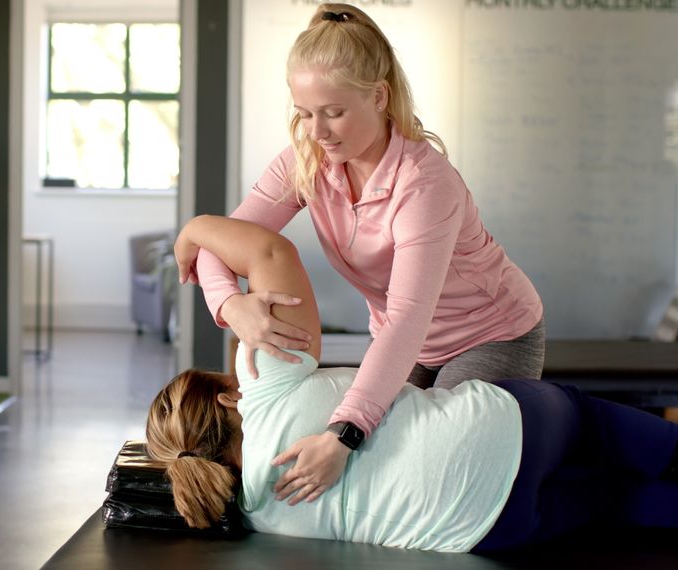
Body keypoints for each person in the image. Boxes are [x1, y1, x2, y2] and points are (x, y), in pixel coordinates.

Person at [177, 3, 545, 503]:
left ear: (378, 96)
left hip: (490, 333)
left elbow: (408, 317)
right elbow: (225, 240)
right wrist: (228, 303)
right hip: (406, 340)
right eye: (304, 113)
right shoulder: (307, 160)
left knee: (439, 465)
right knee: (384, 461)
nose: (317, 131)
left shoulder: (423, 183)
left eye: (334, 112)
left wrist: (345, 433)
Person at [151, 214, 678, 552]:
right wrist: (195, 231)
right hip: (507, 432)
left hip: (485, 529)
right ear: (226, 396)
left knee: (617, 503)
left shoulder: (253, 515)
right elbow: (270, 253)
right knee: (595, 428)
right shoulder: (264, 382)